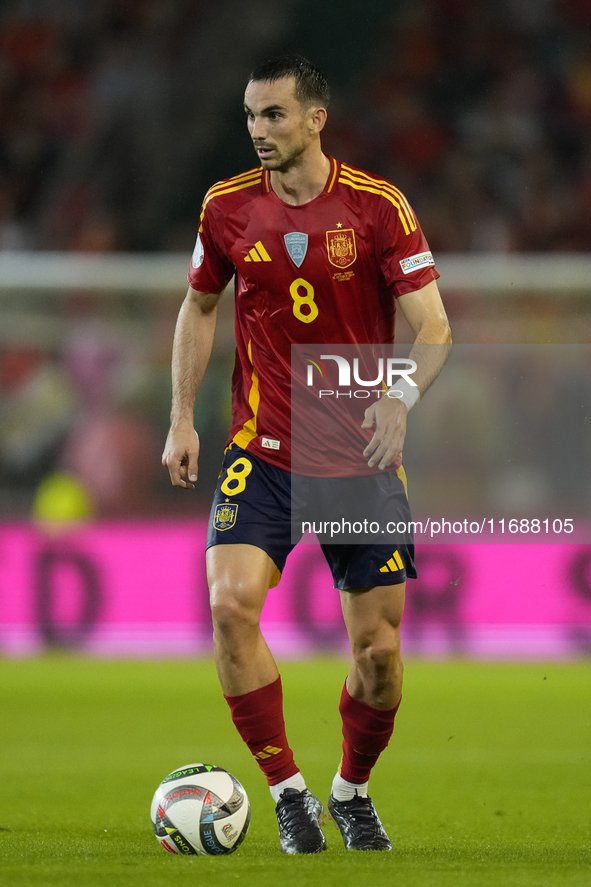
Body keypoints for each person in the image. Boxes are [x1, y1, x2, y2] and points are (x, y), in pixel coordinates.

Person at [162, 53, 452, 854]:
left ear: (314, 119)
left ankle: (351, 790)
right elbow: (198, 305)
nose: (258, 131)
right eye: (251, 116)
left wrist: (398, 396)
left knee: (380, 655)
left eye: (274, 115)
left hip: (357, 457)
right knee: (228, 606)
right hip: (263, 451)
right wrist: (182, 416)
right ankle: (288, 794)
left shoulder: (376, 207)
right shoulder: (224, 208)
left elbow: (433, 328)